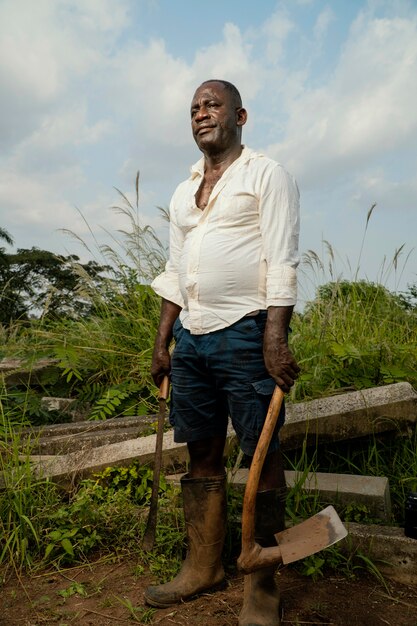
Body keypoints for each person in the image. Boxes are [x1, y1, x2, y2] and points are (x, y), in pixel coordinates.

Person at [145, 79, 300, 626]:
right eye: (193, 109)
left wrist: (274, 338)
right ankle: (203, 567)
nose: (201, 114)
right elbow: (174, 269)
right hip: (192, 335)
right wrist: (164, 339)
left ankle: (262, 583)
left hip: (245, 331)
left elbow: (282, 260)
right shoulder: (183, 190)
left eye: (212, 105)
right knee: (202, 453)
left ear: (240, 115)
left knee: (262, 452)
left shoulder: (267, 175)